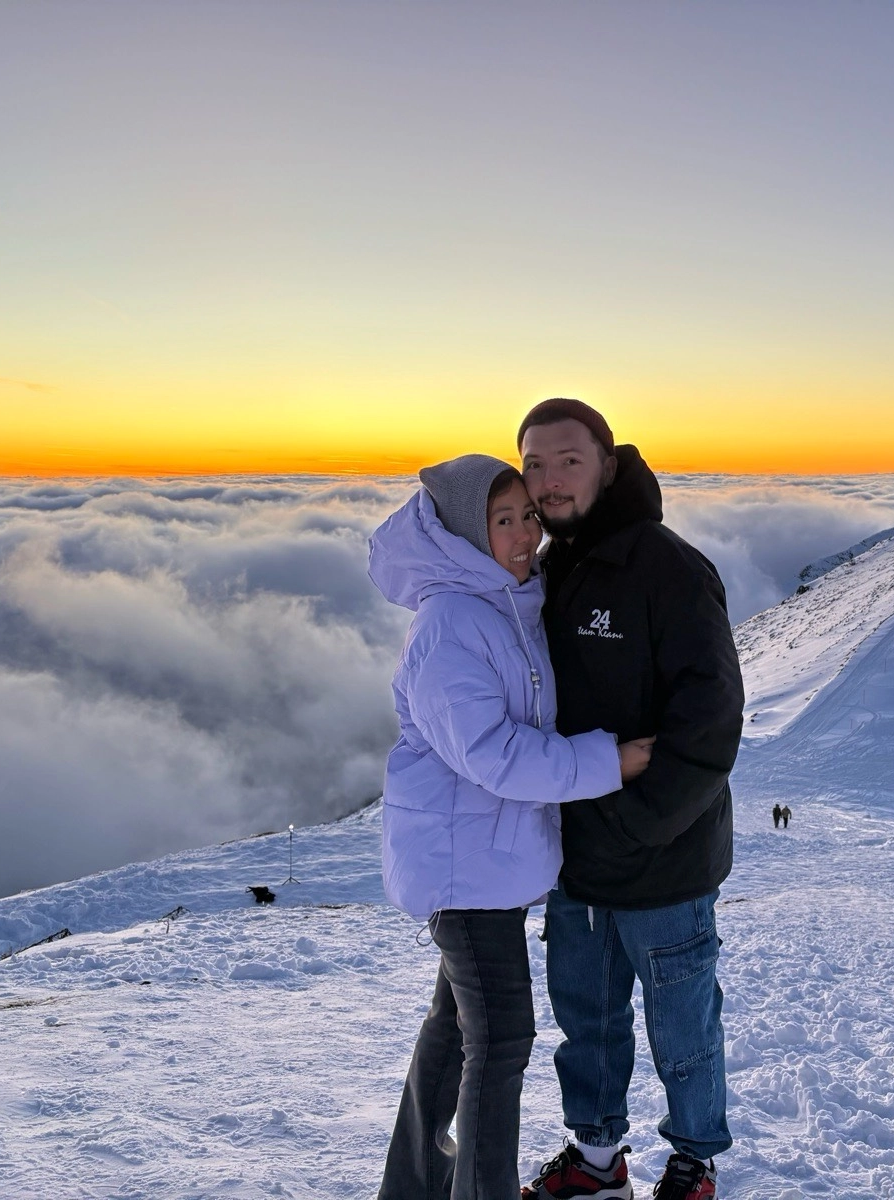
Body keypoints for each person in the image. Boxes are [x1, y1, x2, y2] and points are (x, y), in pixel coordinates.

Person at [367, 454, 655, 1200]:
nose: (527, 533)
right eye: (504, 520)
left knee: (455, 1031)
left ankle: (413, 1187)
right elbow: (494, 755)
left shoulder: (505, 602)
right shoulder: (451, 624)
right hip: (463, 870)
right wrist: (610, 761)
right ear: (466, 534)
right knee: (500, 1042)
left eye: (528, 514)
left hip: (478, 861)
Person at [516, 399, 744, 1200]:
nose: (549, 480)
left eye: (568, 461)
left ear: (608, 467)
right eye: (534, 464)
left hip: (664, 863)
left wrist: (639, 823)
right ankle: (596, 1159)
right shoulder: (547, 570)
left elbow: (710, 719)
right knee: (589, 1023)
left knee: (683, 1028)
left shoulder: (668, 568)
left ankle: (693, 1164)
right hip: (577, 861)